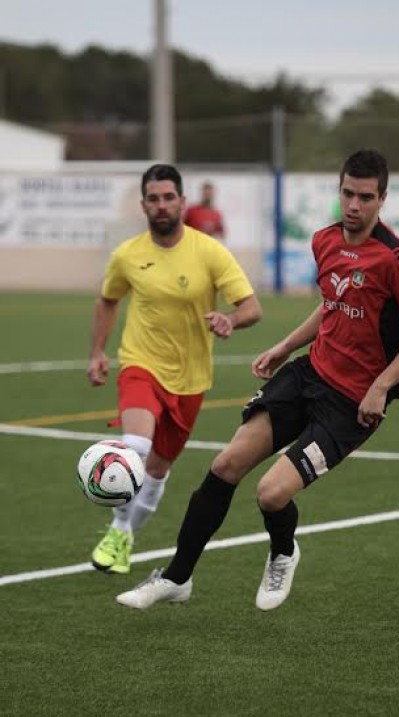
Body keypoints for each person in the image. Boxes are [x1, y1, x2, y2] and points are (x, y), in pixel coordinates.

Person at [116, 149, 399, 611]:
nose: (354, 204)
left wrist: (382, 385)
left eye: (365, 197)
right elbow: (332, 305)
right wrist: (286, 346)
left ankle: (284, 550)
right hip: (309, 374)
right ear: (339, 191)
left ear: (382, 199)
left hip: (351, 403)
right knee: (226, 465)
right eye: (348, 193)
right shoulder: (325, 241)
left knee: (271, 494)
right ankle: (176, 577)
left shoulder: (397, 262)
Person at [87, 163, 262, 575]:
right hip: (140, 363)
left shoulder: (210, 252)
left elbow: (252, 308)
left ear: (182, 202)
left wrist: (230, 320)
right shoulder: (127, 255)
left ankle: (125, 533)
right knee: (136, 446)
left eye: (169, 198)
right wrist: (97, 351)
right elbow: (107, 299)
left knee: (157, 469)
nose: (161, 205)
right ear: (143, 204)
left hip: (190, 378)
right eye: (153, 198)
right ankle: (116, 529)